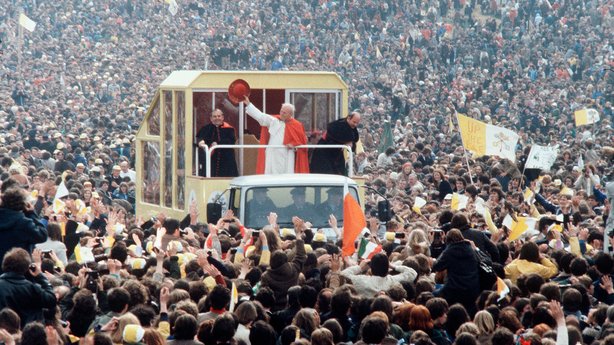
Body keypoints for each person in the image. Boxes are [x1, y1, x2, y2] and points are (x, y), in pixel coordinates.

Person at [243, 96, 309, 174]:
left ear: (290, 114)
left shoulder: (297, 125)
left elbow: (302, 143)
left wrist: (294, 146)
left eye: (284, 112)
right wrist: (248, 104)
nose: (282, 114)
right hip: (272, 153)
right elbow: (260, 116)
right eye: (281, 111)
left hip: (287, 154)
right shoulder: (274, 120)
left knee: (286, 175)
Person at [0, 248, 57, 327]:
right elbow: (51, 299)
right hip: (30, 333)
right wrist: (40, 276)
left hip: (5, 333)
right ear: (27, 268)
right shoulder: (32, 288)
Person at [0, 187, 48, 274]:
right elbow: (42, 235)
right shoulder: (23, 223)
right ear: (23, 204)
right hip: (18, 270)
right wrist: (32, 213)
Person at [196, 108, 239, 177]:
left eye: (219, 116)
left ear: (222, 117)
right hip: (212, 160)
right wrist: (201, 141)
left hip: (226, 160)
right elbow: (201, 138)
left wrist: (218, 143)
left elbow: (231, 141)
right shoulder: (206, 128)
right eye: (214, 116)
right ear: (211, 118)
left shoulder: (229, 129)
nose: (217, 118)